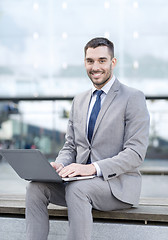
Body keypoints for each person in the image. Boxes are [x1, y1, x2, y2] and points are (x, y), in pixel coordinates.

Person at [26, 37, 150, 240]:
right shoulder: (79, 100)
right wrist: (59, 165)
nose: (95, 67)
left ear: (113, 62)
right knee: (35, 187)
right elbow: (71, 146)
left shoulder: (132, 98)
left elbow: (135, 154)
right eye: (90, 61)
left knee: (77, 189)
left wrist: (91, 168)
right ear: (85, 63)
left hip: (117, 187)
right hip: (79, 182)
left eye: (102, 60)